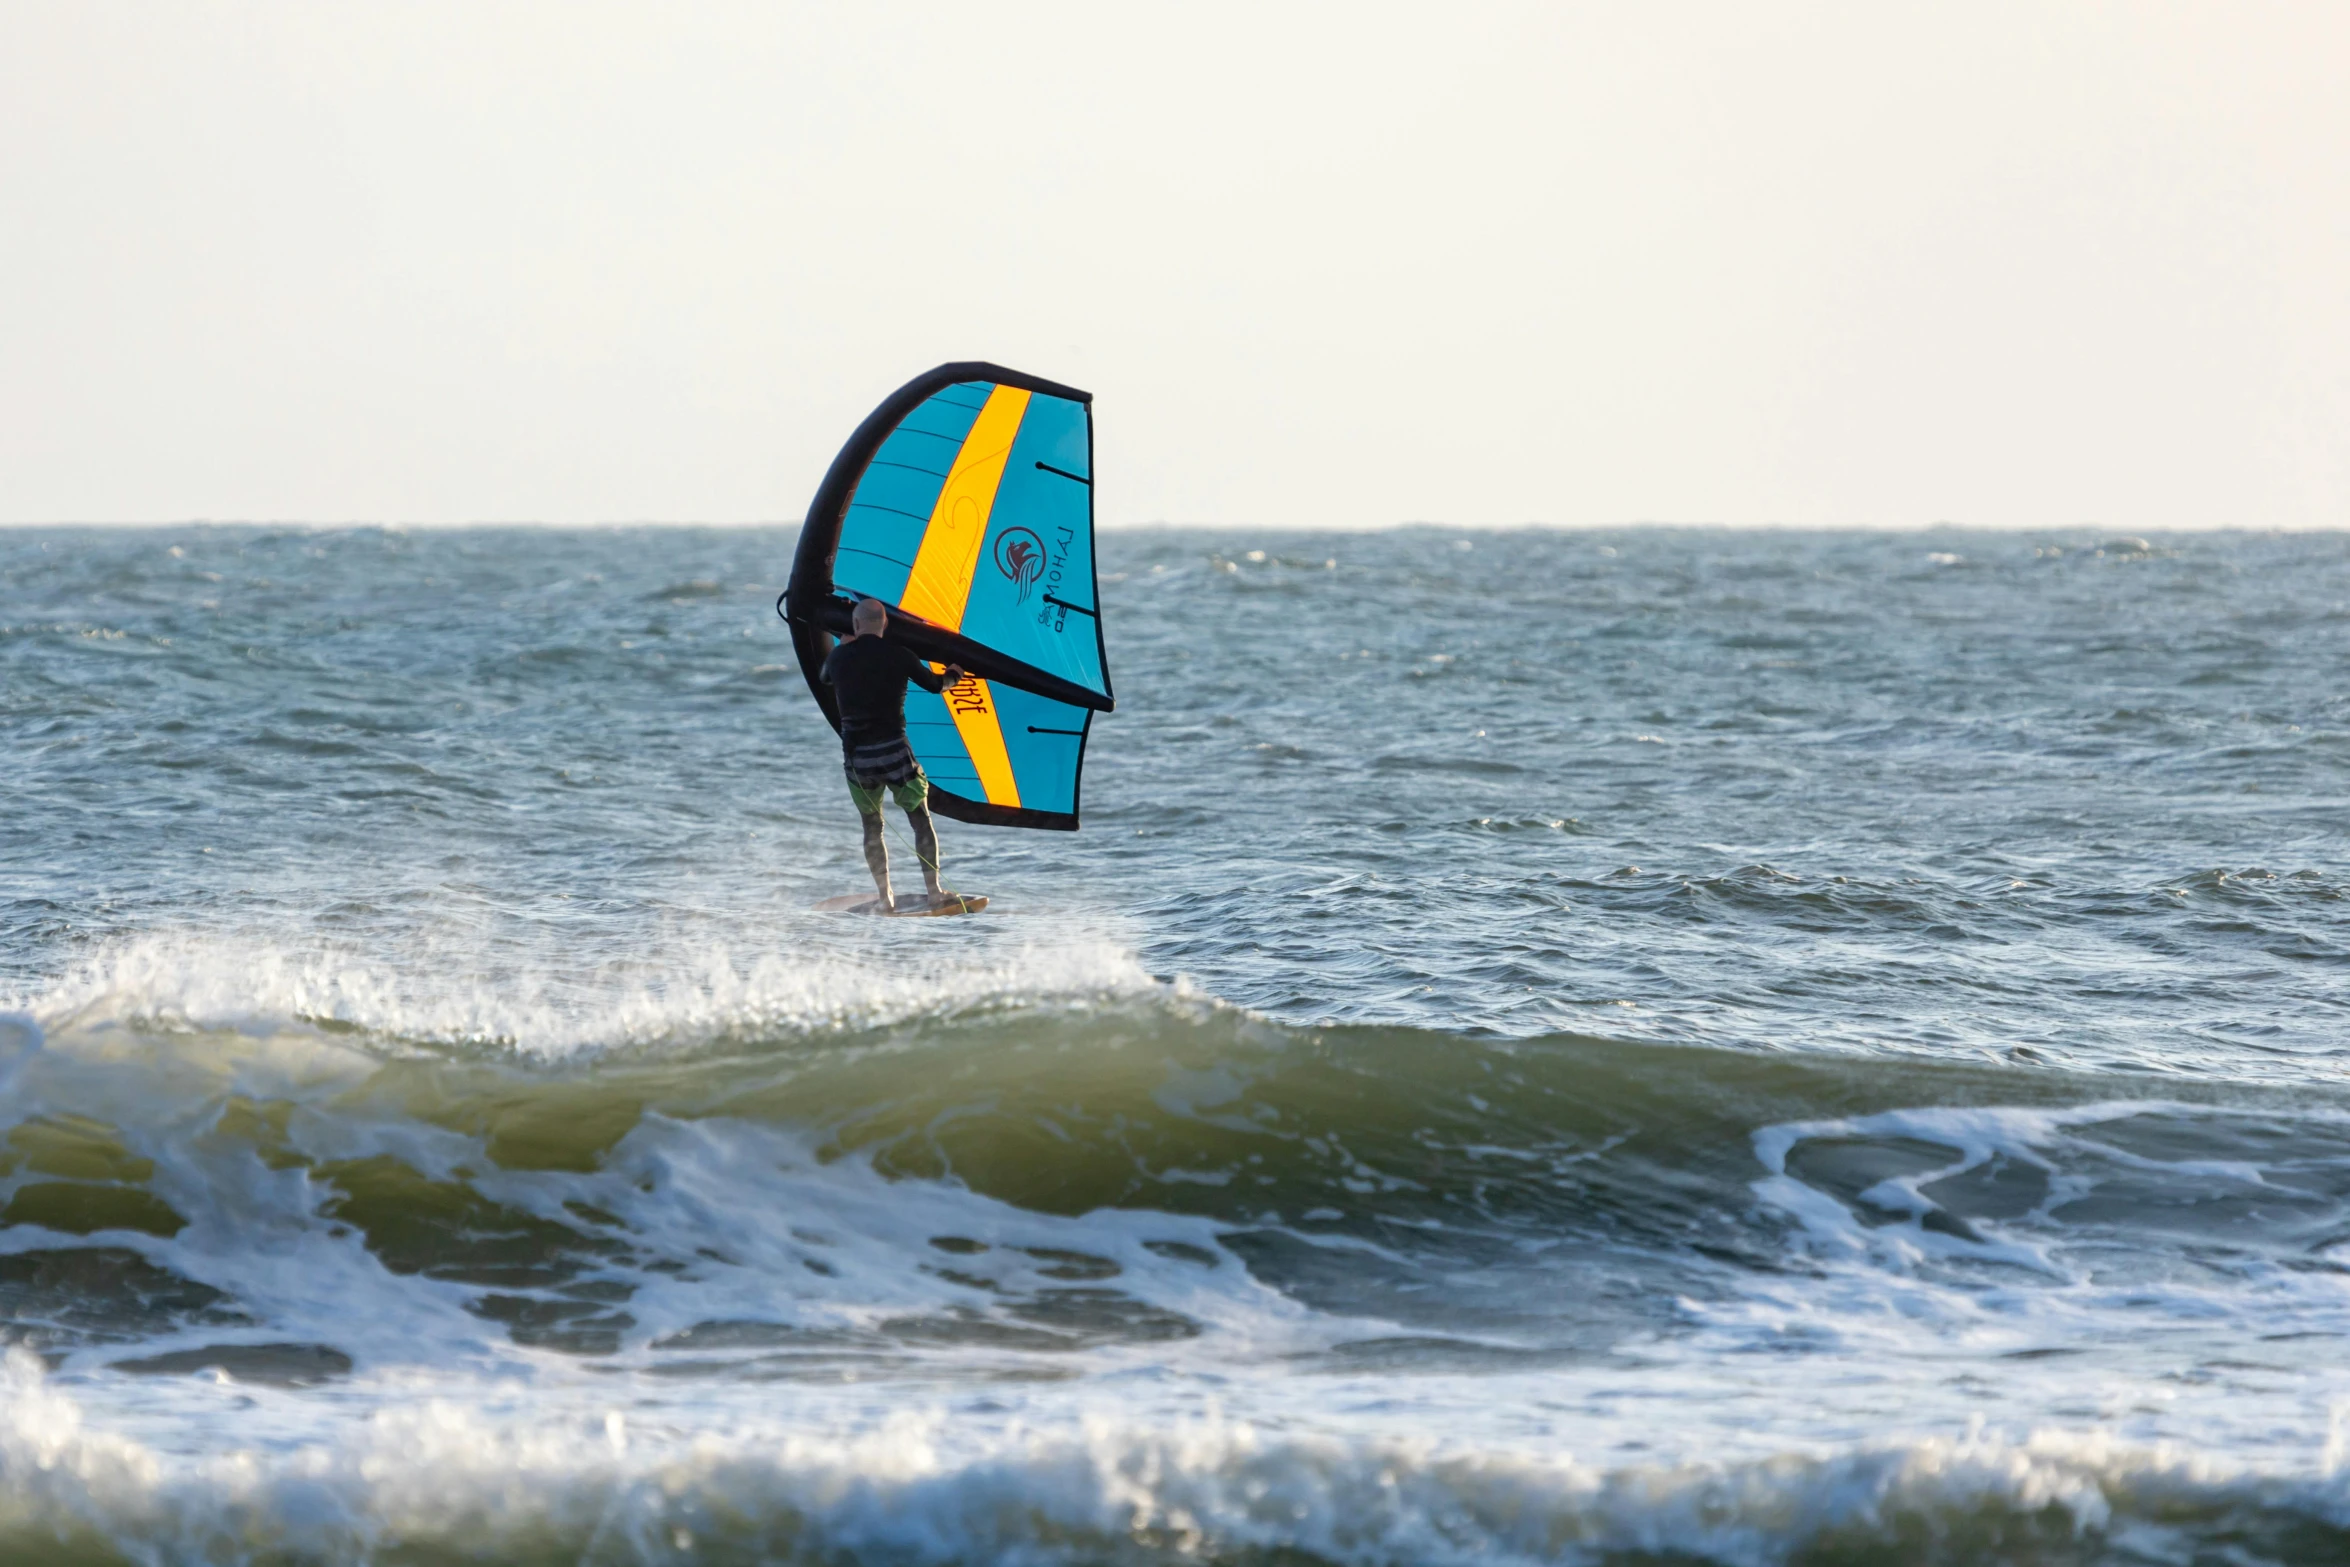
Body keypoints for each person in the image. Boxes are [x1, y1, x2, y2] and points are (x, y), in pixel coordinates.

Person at [819, 597, 964, 909]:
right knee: (920, 820)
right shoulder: (901, 655)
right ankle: (935, 891)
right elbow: (936, 685)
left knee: (872, 826)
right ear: (884, 624)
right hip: (895, 753)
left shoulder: (839, 658)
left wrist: (844, 646)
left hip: (859, 760)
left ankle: (886, 898)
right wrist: (955, 674)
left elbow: (823, 677)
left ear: (856, 626)